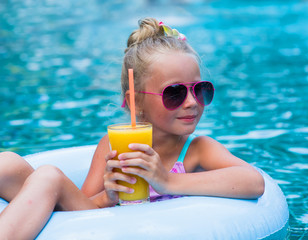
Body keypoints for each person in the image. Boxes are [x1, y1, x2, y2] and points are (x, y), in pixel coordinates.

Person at [0, 17, 264, 239]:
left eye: (200, 89)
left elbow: (253, 182)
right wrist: (108, 196)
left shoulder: (196, 150)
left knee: (49, 177)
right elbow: (78, 210)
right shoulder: (113, 144)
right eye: (174, 93)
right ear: (134, 102)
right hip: (102, 226)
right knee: (7, 164)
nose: (192, 102)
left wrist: (167, 180)